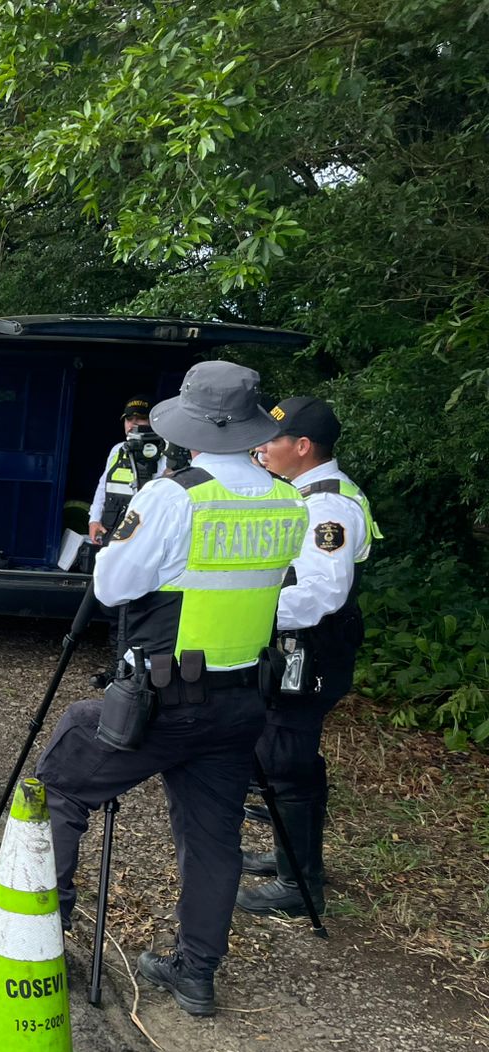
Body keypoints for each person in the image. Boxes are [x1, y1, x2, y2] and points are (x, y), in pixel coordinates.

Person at [33, 361, 307, 1017]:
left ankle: (41, 935)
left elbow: (111, 587)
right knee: (214, 838)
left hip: (163, 700)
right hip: (242, 702)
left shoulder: (173, 496)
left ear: (191, 427)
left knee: (65, 776)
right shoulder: (288, 500)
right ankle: (195, 972)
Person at [237, 396, 379, 917]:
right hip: (304, 646)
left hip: (311, 649)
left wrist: (253, 612)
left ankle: (299, 888)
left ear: (302, 446)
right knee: (294, 759)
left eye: (270, 440)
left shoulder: (327, 506)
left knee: (285, 758)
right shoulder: (305, 492)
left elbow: (322, 594)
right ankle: (290, 859)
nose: (260, 448)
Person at [87, 396, 166, 544]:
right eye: (129, 419)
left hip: (145, 531)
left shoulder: (164, 453)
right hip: (111, 528)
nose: (133, 424)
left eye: (140, 418)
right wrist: (94, 520)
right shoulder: (117, 450)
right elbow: (103, 487)